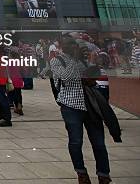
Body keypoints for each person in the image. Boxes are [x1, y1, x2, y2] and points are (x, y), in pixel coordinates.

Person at [52, 37, 114, 184]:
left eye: (73, 44)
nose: (72, 46)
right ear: (62, 46)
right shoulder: (57, 61)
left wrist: (91, 63)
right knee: (76, 141)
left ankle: (104, 174)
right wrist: (75, 60)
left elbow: (96, 76)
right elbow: (66, 77)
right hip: (71, 106)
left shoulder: (83, 60)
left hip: (90, 104)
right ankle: (81, 172)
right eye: (68, 44)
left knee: (99, 142)